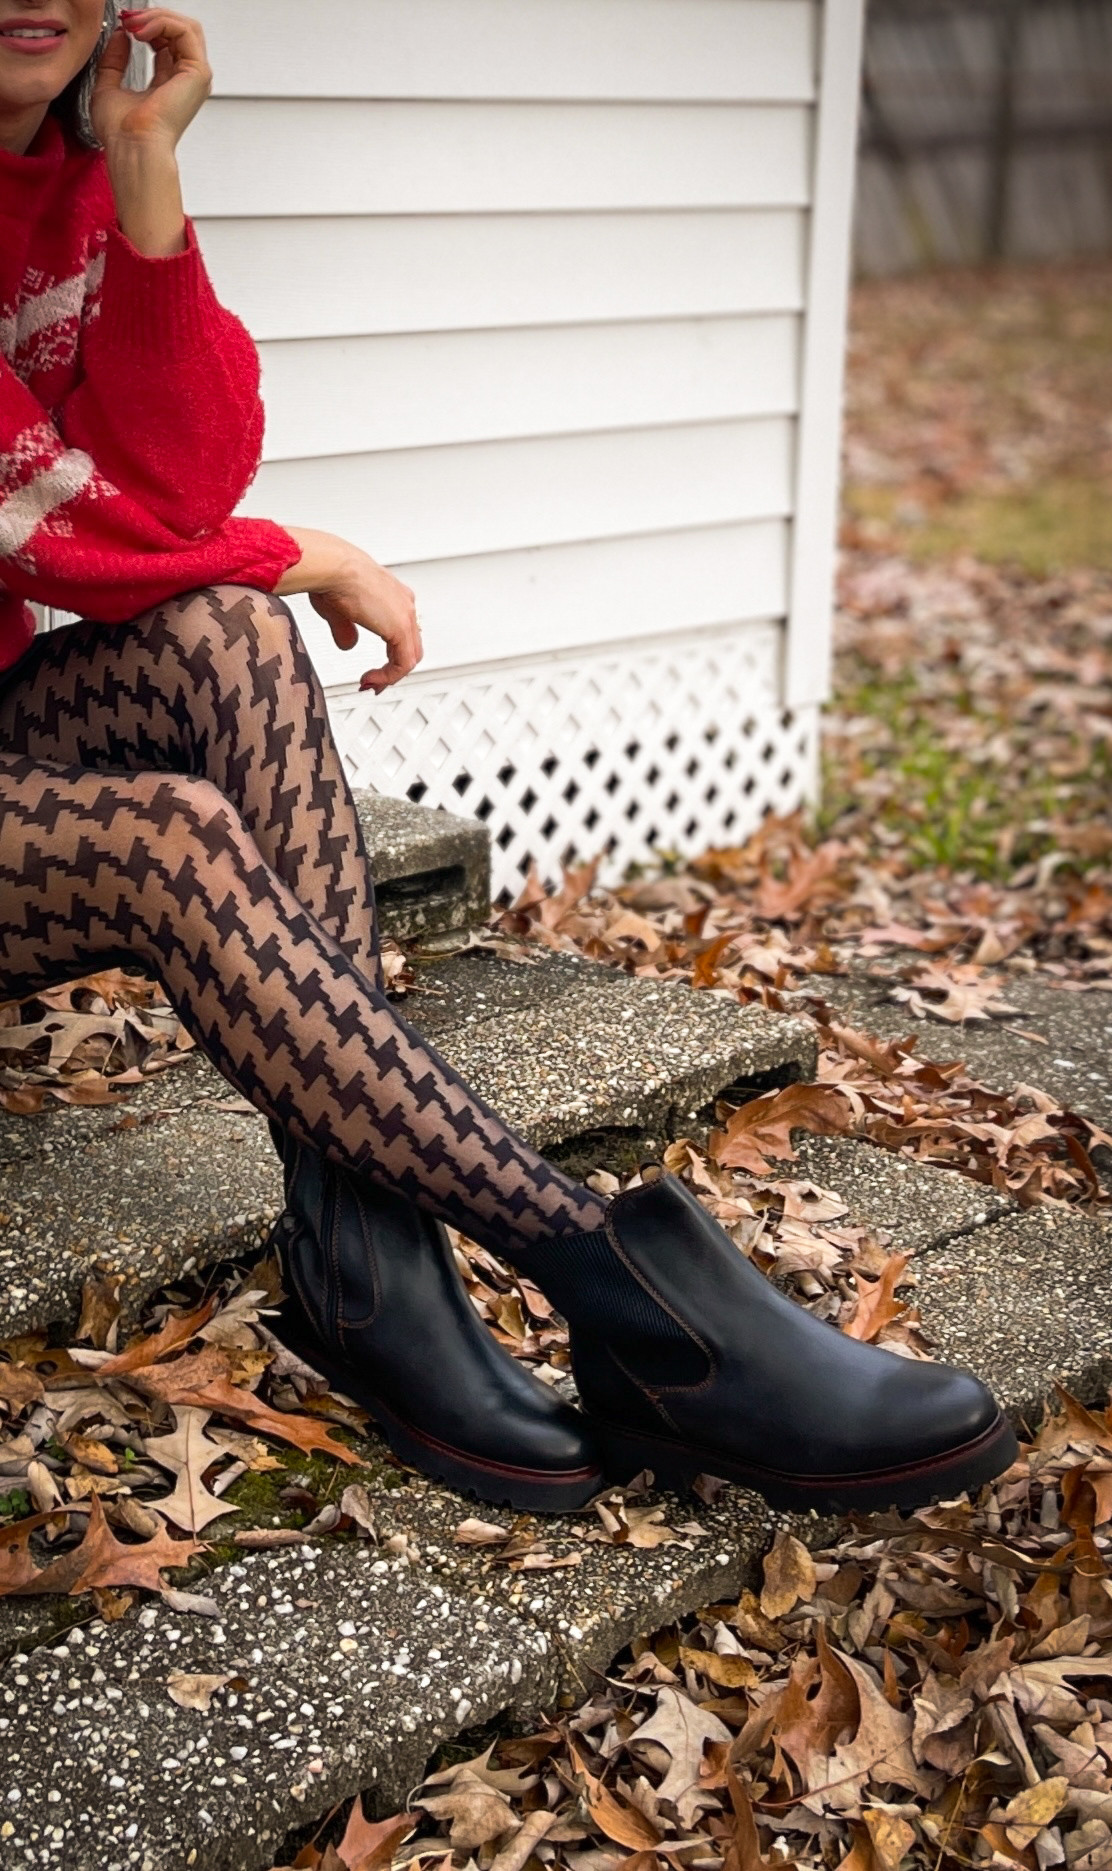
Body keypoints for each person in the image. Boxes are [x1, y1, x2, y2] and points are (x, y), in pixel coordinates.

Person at [0, 0, 1017, 1518]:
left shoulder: (73, 182)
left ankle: (361, 1261)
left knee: (236, 639)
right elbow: (62, 527)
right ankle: (616, 1290)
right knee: (173, 836)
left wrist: (145, 172)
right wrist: (308, 551)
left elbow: (182, 475)